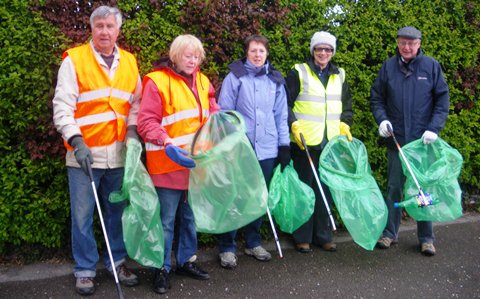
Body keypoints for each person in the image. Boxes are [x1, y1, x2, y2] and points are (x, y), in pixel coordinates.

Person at [52, 6, 140, 296]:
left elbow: (136, 104)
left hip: (117, 155)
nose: (104, 31)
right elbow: (63, 106)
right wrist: (76, 141)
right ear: (91, 28)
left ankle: (117, 262)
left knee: (116, 214)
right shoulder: (74, 60)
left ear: (118, 30)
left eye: (109, 26)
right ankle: (86, 270)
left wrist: (131, 132)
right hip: (83, 155)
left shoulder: (129, 62)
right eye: (99, 25)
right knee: (82, 216)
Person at [137, 34, 218, 294]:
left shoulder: (204, 82)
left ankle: (186, 261)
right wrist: (166, 141)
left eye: (196, 56)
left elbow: (213, 113)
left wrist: (223, 126)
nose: (193, 60)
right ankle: (161, 268)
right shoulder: (157, 81)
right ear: (175, 56)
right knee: (166, 220)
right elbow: (146, 122)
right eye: (188, 55)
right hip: (167, 164)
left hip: (195, 165)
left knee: (190, 217)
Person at [370, 26, 450, 256]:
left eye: (411, 43)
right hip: (396, 141)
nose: (406, 47)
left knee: (421, 191)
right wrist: (382, 120)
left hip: (421, 144)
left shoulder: (431, 67)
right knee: (394, 188)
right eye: (403, 43)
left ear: (419, 44)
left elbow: (442, 101)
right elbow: (377, 98)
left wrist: (434, 128)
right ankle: (390, 233)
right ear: (397, 43)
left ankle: (426, 238)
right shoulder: (388, 67)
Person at [216, 34, 290, 269]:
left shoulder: (275, 80)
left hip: (267, 148)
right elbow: (224, 113)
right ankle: (227, 247)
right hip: (241, 148)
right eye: (253, 51)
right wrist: (230, 144)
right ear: (246, 53)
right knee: (234, 196)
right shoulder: (235, 77)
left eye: (261, 51)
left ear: (267, 54)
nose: (257, 55)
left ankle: (253, 242)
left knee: (259, 197)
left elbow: (281, 116)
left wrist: (284, 145)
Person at [286, 31, 353, 253]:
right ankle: (301, 237)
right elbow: (284, 104)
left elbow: (347, 106)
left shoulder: (339, 75)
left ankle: (322, 235)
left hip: (330, 143)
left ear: (332, 52)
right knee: (305, 190)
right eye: (319, 49)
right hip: (305, 142)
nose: (323, 53)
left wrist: (344, 125)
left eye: (328, 49)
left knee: (326, 191)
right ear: (313, 51)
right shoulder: (299, 72)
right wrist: (293, 125)